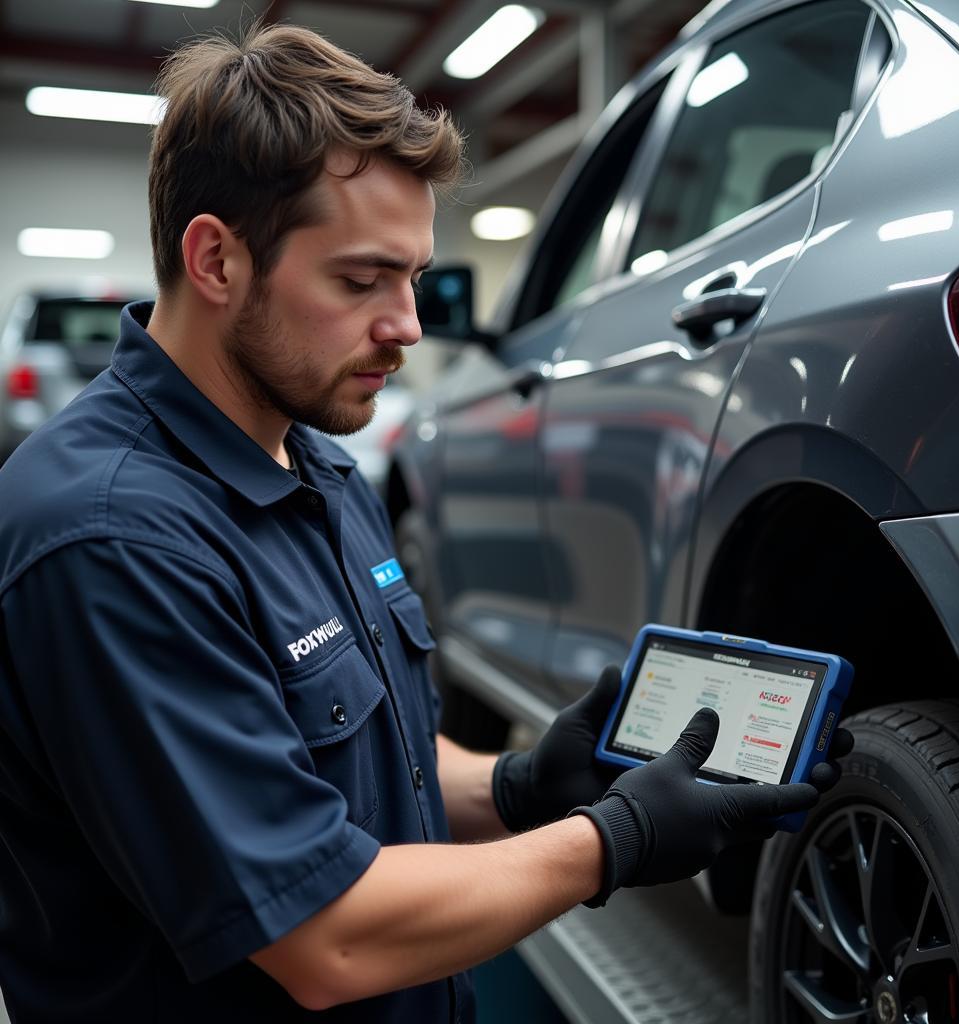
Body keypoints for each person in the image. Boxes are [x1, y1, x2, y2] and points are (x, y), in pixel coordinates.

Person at [0, 23, 850, 1022]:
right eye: (362, 281)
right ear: (217, 260)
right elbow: (328, 934)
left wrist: (526, 784)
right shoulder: (111, 542)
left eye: (413, 277)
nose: (407, 324)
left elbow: (356, 758)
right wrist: (612, 838)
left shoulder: (316, 461)